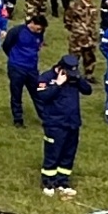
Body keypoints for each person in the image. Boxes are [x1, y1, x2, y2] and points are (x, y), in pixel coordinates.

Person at [32, 51, 85, 197]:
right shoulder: (46, 77)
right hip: (55, 123)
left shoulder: (74, 78)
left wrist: (79, 79)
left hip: (72, 122)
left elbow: (87, 90)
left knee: (68, 154)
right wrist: (58, 84)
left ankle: (63, 182)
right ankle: (48, 183)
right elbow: (42, 96)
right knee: (53, 154)